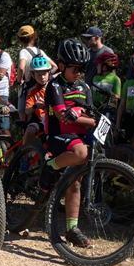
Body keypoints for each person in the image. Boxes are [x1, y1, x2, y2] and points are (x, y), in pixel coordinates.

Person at [40, 39, 95, 248]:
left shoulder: (84, 86)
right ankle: (51, 166)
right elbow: (62, 115)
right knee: (81, 153)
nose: (79, 73)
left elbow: (92, 114)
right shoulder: (55, 84)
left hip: (78, 137)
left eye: (83, 69)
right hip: (57, 136)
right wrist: (89, 120)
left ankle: (72, 229)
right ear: (61, 66)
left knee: (76, 181)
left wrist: (89, 119)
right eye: (75, 68)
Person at [16, 25, 57, 122]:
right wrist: (47, 75)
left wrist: (19, 81)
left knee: (22, 111)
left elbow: (21, 67)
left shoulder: (23, 51)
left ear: (20, 39)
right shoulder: (40, 51)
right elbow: (55, 66)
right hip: (43, 86)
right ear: (34, 36)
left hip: (29, 85)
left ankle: (24, 129)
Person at [22, 55, 51, 146]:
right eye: (39, 74)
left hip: (54, 119)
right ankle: (24, 154)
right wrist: (35, 106)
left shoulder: (55, 87)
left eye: (44, 74)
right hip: (40, 120)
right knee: (30, 130)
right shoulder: (32, 91)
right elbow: (27, 110)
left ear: (49, 73)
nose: (42, 77)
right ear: (33, 75)